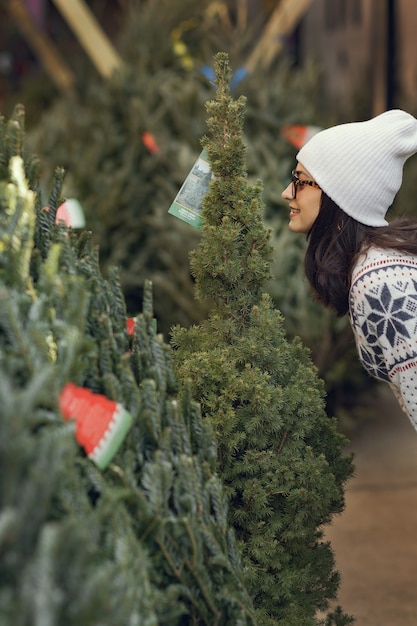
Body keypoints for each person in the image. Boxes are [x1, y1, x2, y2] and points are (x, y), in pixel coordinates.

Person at [281, 109, 417, 432]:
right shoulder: (377, 263)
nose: (287, 192)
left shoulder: (378, 282)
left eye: (300, 181)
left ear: (337, 196)